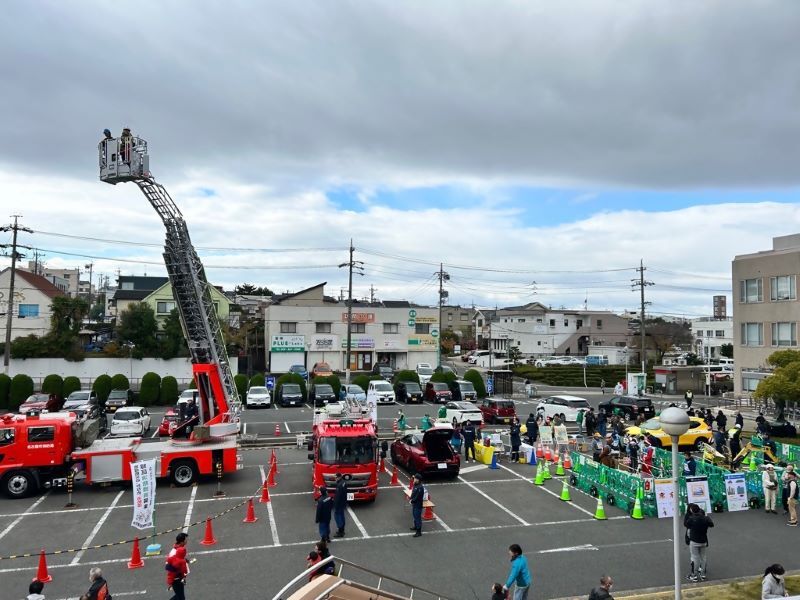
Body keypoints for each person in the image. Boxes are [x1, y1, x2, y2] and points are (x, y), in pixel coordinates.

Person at [684, 503, 714, 582]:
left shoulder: (691, 519)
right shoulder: (705, 518)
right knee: (703, 557)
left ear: (692, 510)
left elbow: (686, 525)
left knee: (695, 558)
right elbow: (711, 524)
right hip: (703, 540)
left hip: (694, 541)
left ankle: (694, 575)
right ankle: (703, 574)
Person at [333, 472, 348, 538]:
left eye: (336, 477)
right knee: (342, 516)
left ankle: (340, 531)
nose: (335, 479)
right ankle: (342, 530)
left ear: (339, 477)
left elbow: (338, 496)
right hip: (343, 503)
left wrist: (335, 504)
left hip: (339, 504)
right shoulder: (343, 483)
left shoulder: (339, 485)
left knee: (338, 517)